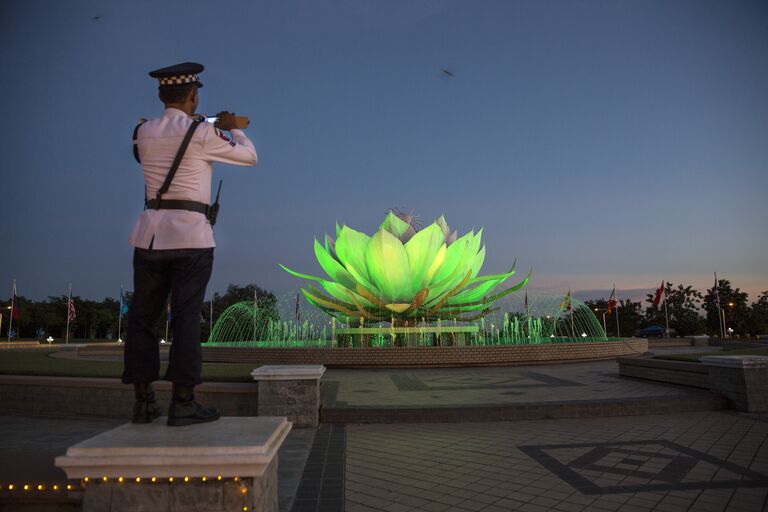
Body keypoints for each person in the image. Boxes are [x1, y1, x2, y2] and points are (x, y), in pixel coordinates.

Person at [124, 62, 257, 426]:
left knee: (142, 319)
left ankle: (143, 401)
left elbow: (147, 155)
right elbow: (250, 158)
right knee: (186, 317)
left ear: (160, 95)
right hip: (191, 236)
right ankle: (182, 402)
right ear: (194, 96)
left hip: (149, 235)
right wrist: (232, 130)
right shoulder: (201, 132)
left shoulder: (141, 132)